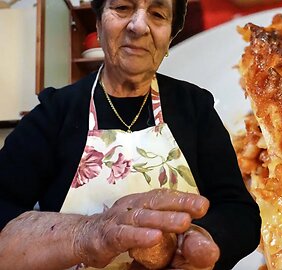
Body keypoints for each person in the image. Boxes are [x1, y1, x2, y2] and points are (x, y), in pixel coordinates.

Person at [0, 0, 261, 269]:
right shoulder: (55, 113)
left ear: (169, 38)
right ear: (99, 24)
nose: (138, 26)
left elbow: (239, 212)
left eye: (158, 14)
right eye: (122, 8)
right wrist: (85, 234)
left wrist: (200, 241)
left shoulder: (195, 107)